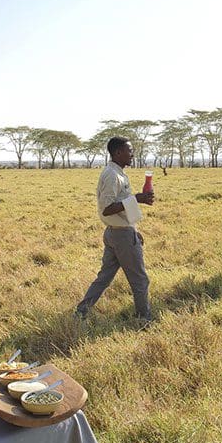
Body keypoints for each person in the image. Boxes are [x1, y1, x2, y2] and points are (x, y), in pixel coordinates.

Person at [76, 137, 155, 322]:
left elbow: (119, 207)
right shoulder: (112, 175)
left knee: (104, 278)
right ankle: (144, 319)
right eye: (129, 150)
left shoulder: (117, 172)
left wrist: (133, 227)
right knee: (140, 280)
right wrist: (137, 199)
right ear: (118, 153)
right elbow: (107, 208)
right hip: (121, 237)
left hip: (116, 232)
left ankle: (81, 313)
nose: (132, 154)